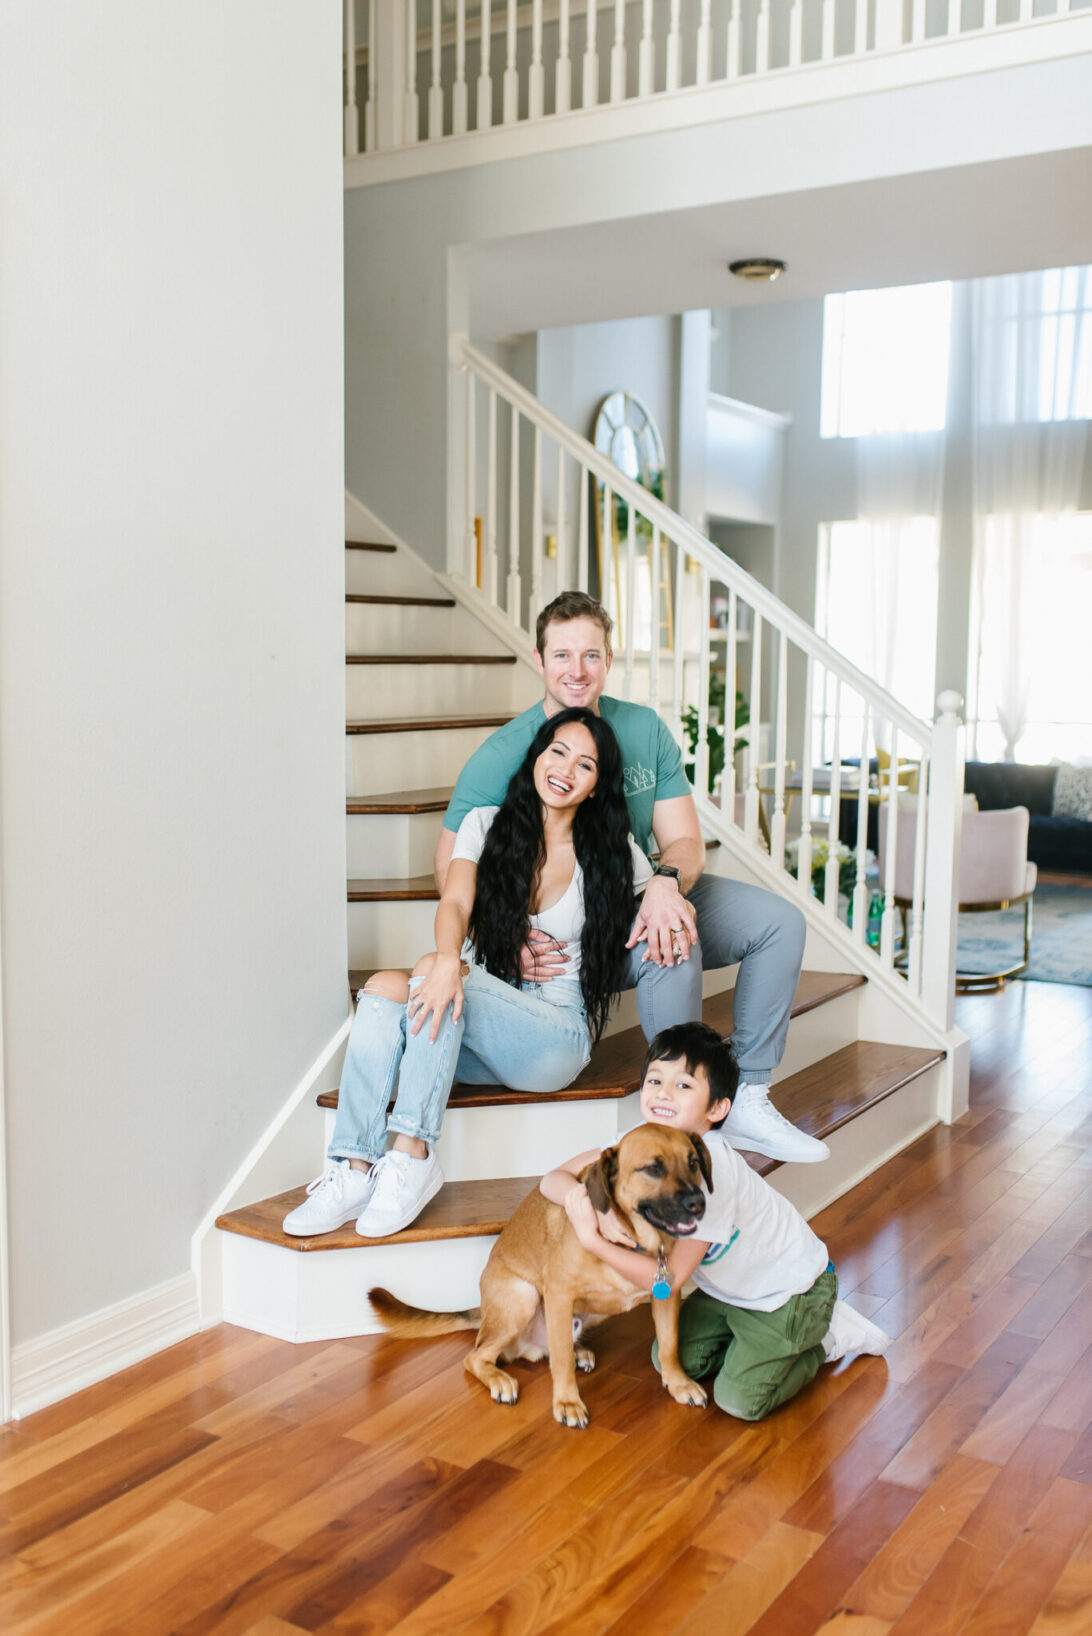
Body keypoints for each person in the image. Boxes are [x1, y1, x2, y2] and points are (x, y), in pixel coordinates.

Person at [435, 591, 824, 1165]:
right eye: (562, 655)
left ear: (609, 659)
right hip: (571, 933)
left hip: (646, 891)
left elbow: (685, 841)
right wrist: (503, 936)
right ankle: (684, 1119)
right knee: (672, 944)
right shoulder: (504, 754)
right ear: (539, 661)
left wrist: (666, 883)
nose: (577, 670)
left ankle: (747, 1095)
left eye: (591, 654)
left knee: (779, 923)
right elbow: (451, 866)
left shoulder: (642, 729)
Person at [284, 706, 653, 1240]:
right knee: (385, 990)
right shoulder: (485, 825)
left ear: (596, 786)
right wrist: (452, 963)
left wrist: (666, 883)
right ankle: (354, 1168)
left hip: (552, 1038)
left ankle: (412, 1153)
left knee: (432, 971)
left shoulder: (612, 852)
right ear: (537, 755)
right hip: (474, 1023)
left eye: (586, 765)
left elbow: (663, 896)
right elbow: (455, 904)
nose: (566, 770)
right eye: (558, 752)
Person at [541, 1022, 890, 1421]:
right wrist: (596, 1210)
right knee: (667, 1359)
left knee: (738, 1400)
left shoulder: (714, 1172)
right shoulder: (633, 1145)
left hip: (791, 1293)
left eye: (684, 1086)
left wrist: (593, 1240)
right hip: (730, 1292)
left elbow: (665, 1284)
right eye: (655, 1080)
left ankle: (821, 1340)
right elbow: (551, 1180)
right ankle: (754, 1343)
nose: (664, 1093)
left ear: (718, 1109)